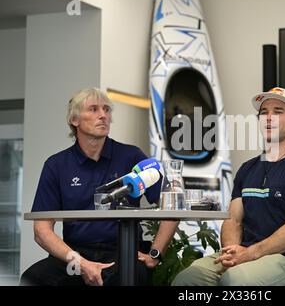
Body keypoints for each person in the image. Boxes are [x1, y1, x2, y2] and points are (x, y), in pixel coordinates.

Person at [20, 88, 179, 286]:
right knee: (33, 279)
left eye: (106, 110)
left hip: (123, 252)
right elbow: (42, 230)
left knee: (128, 277)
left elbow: (172, 204)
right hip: (75, 254)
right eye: (93, 109)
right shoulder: (56, 165)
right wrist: (82, 263)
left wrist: (155, 253)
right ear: (74, 120)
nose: (103, 115)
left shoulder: (132, 156)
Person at [172, 87, 285, 286]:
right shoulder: (248, 169)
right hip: (245, 254)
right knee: (188, 279)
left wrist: (250, 254)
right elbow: (233, 220)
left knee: (236, 280)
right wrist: (233, 252)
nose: (269, 117)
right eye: (264, 113)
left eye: (278, 111)